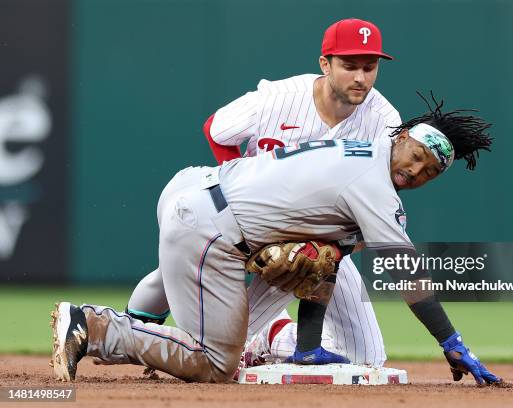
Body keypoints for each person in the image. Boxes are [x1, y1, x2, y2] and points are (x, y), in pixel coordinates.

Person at [50, 97, 502, 386]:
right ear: (400, 138)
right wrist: (451, 340)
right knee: (214, 363)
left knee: (311, 260)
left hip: (203, 203)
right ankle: (94, 326)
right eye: (417, 156)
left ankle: (287, 343)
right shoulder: (375, 183)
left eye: (430, 172)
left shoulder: (363, 160)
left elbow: (327, 262)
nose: (417, 172)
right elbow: (407, 274)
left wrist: (309, 347)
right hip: (210, 228)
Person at [125, 17, 399, 367]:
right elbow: (217, 129)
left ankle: (272, 337)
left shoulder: (384, 122)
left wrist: (330, 249)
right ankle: (127, 333)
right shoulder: (281, 98)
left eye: (369, 66)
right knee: (178, 275)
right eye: (349, 66)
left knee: (367, 359)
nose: (361, 77)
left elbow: (375, 211)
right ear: (325, 64)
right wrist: (239, 188)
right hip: (242, 216)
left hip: (314, 238)